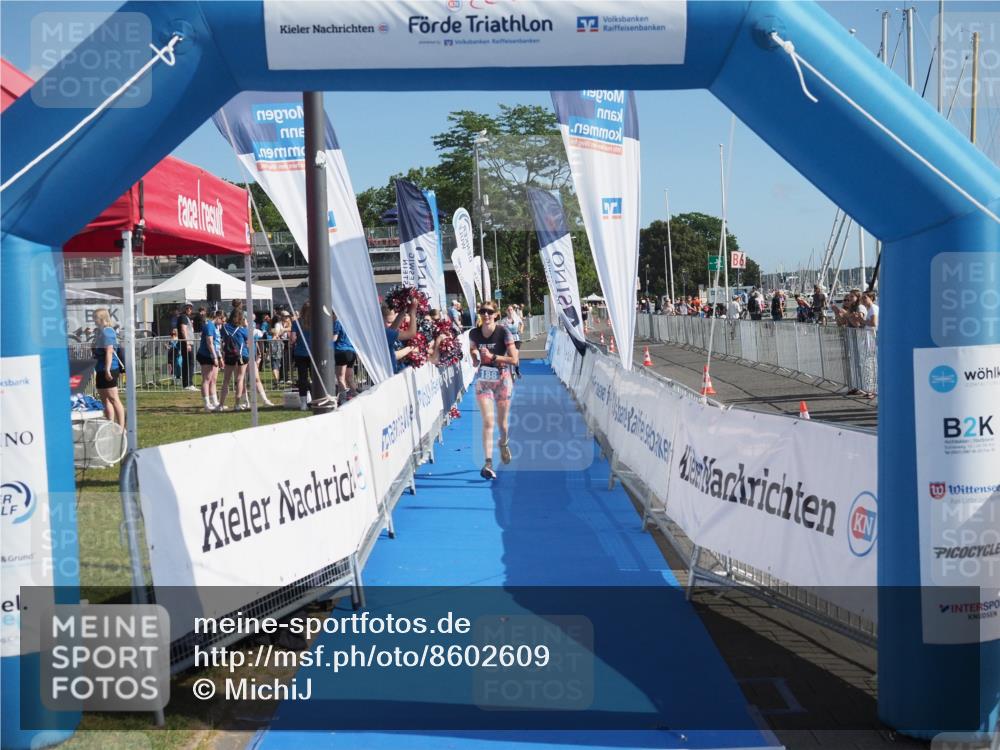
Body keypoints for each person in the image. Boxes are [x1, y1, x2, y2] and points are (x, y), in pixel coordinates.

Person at [469, 301, 519, 480]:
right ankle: (488, 462)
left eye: (489, 312)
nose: (486, 315)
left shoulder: (503, 331)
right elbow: (473, 351)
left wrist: (494, 357)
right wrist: (475, 357)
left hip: (503, 379)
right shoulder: (474, 332)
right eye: (482, 311)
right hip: (484, 381)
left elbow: (515, 359)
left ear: (496, 314)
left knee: (502, 424)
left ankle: (503, 443)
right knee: (488, 422)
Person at [92, 308, 125, 428]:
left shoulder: (107, 332)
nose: (93, 320)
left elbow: (109, 351)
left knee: (113, 398)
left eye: (95, 317)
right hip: (100, 368)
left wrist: (107, 369)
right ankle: (110, 425)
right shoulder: (100, 332)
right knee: (104, 399)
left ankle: (121, 428)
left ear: (101, 318)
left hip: (110, 368)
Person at [217, 308, 250, 411]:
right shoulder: (243, 329)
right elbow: (248, 341)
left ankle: (221, 405)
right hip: (242, 355)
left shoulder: (224, 328)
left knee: (226, 380)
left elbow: (223, 338)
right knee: (240, 379)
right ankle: (237, 404)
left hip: (229, 355)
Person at [383, 299, 419, 372]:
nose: (391, 324)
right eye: (389, 322)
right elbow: (411, 333)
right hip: (388, 375)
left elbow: (393, 328)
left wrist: (404, 309)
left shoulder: (385, 332)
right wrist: (412, 313)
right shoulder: (384, 333)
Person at [291, 301, 315, 411]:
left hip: (300, 353)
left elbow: (293, 339)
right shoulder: (316, 322)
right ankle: (316, 400)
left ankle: (303, 404)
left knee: (302, 378)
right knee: (315, 378)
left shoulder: (296, 323)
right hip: (313, 353)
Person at [197, 310, 223, 412]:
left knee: (213, 380)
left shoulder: (215, 327)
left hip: (213, 355)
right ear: (218, 317)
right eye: (222, 319)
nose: (223, 322)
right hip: (206, 355)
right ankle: (207, 404)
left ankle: (215, 402)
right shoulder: (209, 326)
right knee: (206, 379)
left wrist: (219, 357)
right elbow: (209, 343)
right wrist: (214, 357)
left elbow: (217, 344)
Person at [332, 311, 358, 402]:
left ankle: (342, 400)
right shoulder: (351, 324)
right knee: (349, 378)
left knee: (340, 377)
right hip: (352, 352)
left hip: (341, 351)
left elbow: (334, 338)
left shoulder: (338, 323)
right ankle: (356, 396)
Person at [500, 305, 523, 379]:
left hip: (516, 338)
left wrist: (521, 329)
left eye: (511, 309)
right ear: (506, 311)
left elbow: (522, 324)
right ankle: (512, 372)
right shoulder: (504, 320)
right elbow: (500, 329)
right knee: (510, 356)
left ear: (513, 310)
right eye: (509, 310)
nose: (510, 311)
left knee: (515, 355)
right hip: (508, 339)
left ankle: (516, 370)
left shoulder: (517, 318)